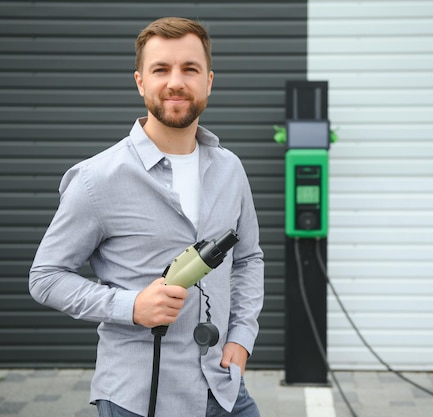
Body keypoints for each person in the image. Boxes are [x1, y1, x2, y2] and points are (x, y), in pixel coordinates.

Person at [29, 17, 264, 417]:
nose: (176, 82)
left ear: (209, 80)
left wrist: (241, 337)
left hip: (222, 387)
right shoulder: (96, 179)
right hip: (138, 397)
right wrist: (131, 306)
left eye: (190, 69)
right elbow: (46, 278)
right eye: (161, 69)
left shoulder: (230, 169)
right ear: (141, 82)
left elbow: (248, 258)